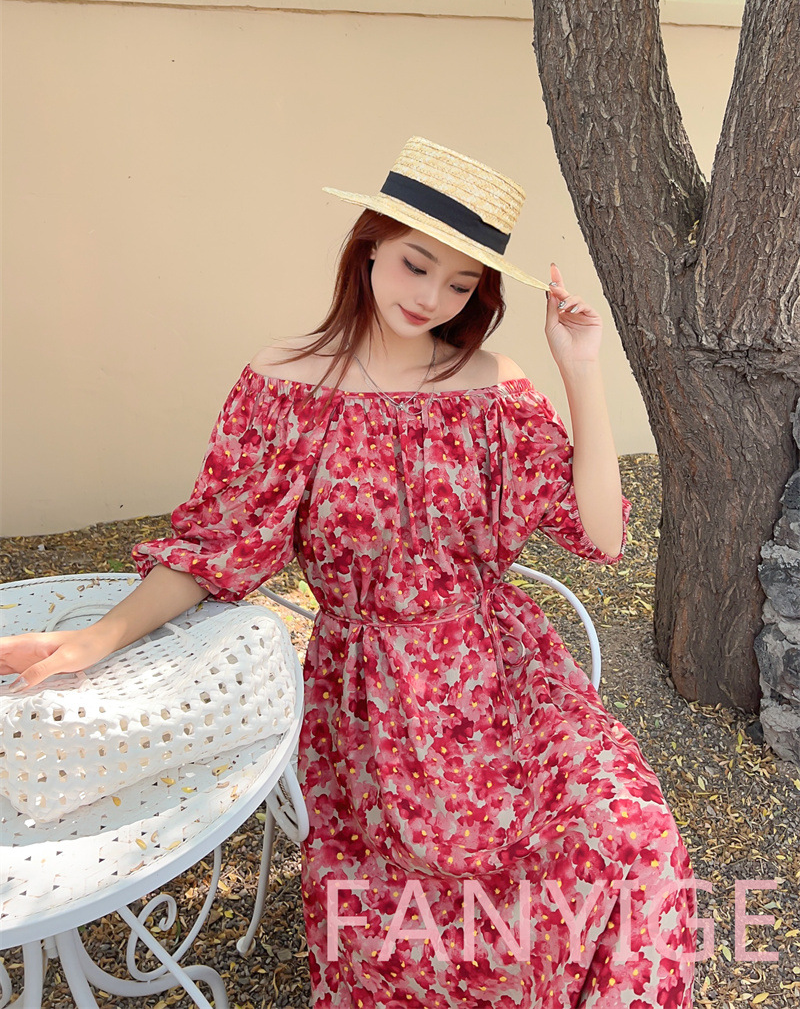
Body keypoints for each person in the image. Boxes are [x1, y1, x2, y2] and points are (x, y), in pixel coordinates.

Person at [0, 136, 697, 1006]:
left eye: (460, 285)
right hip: (372, 693)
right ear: (369, 245)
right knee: (409, 917)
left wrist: (579, 368)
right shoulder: (284, 387)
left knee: (631, 840)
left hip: (506, 673)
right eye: (415, 264)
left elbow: (601, 538)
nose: (430, 298)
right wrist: (97, 639)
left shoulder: (493, 385)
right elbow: (216, 547)